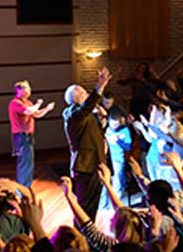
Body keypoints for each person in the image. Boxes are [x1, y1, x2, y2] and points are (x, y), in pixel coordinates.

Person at [63, 66, 111, 224]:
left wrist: (102, 121)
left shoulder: (84, 115)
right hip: (86, 166)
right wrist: (100, 86)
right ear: (76, 98)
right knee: (85, 208)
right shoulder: (73, 115)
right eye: (84, 93)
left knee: (92, 207)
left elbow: (92, 133)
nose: (87, 94)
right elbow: (86, 108)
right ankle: (81, 241)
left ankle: (88, 240)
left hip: (95, 164)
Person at [7, 80, 55, 189]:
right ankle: (22, 188)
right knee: (24, 162)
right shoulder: (15, 103)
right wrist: (38, 104)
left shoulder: (28, 102)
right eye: (27, 88)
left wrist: (47, 109)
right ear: (20, 90)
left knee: (29, 162)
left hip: (28, 135)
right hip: (21, 136)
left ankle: (26, 186)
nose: (29, 90)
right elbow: (29, 111)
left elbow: (36, 114)